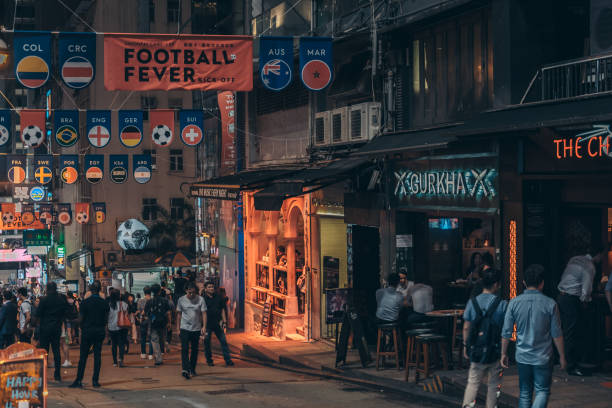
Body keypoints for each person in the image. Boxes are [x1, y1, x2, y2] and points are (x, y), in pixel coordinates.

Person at [501, 264, 566, 408]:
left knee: (524, 392)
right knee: (542, 391)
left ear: (524, 282)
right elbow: (557, 333)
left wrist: (503, 353)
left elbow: (506, 331)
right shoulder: (550, 304)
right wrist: (562, 356)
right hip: (543, 356)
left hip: (522, 356)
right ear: (542, 283)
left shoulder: (514, 303)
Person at [462, 269, 507, 408]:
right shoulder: (502, 304)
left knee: (473, 383)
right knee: (494, 384)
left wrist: (466, 345)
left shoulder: (472, 302)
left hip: (477, 349)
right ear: (496, 285)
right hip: (495, 350)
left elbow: (466, 327)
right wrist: (504, 352)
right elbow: (505, 330)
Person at [557, 246, 604, 376]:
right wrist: (586, 302)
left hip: (561, 296)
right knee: (572, 331)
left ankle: (563, 360)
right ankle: (571, 365)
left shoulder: (575, 258)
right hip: (571, 299)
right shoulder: (590, 266)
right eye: (602, 256)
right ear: (598, 255)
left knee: (564, 329)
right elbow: (586, 289)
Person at [70, 281, 109, 388]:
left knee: (83, 357)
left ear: (90, 290)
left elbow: (81, 319)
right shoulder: (104, 303)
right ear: (100, 289)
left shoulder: (85, 303)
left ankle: (78, 380)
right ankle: (95, 380)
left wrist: (75, 322)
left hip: (87, 331)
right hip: (99, 331)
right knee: (97, 356)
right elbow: (106, 319)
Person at [35, 282, 68, 382]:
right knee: (56, 351)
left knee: (44, 352)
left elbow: (38, 314)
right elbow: (64, 313)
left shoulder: (44, 300)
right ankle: (57, 374)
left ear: (47, 289)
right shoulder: (61, 300)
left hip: (45, 329)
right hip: (56, 328)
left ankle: (43, 374)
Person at [176, 282, 207, 379]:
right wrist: (177, 328)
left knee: (194, 350)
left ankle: (192, 368)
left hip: (196, 328)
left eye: (193, 293)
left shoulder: (201, 299)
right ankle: (185, 369)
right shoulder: (181, 300)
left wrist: (204, 326)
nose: (192, 295)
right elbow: (179, 314)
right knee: (184, 349)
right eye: (190, 293)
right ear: (186, 291)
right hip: (184, 328)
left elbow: (204, 313)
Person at [203, 281, 233, 366]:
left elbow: (222, 309)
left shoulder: (218, 297)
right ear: (205, 289)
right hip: (207, 324)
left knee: (223, 341)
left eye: (212, 287)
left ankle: (228, 360)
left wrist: (224, 321)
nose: (211, 288)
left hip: (217, 323)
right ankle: (209, 360)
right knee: (207, 342)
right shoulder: (202, 299)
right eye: (209, 287)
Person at [145, 284, 171, 365]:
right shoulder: (165, 300)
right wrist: (169, 322)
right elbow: (168, 312)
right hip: (163, 322)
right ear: (160, 291)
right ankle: (165, 346)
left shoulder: (149, 301)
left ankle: (158, 359)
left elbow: (146, 312)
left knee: (154, 341)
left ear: (152, 291)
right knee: (162, 338)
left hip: (153, 323)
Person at [107, 289, 128, 367]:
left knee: (114, 344)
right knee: (121, 344)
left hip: (111, 327)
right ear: (119, 296)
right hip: (121, 326)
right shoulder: (124, 304)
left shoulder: (109, 305)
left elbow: (107, 317)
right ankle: (121, 359)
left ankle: (115, 361)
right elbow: (126, 314)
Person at [138, 286, 153, 360]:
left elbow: (140, 311)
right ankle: (150, 354)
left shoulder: (140, 301)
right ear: (151, 292)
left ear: (144, 292)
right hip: (151, 320)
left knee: (143, 337)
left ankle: (143, 353)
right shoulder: (153, 300)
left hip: (143, 320)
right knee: (151, 337)